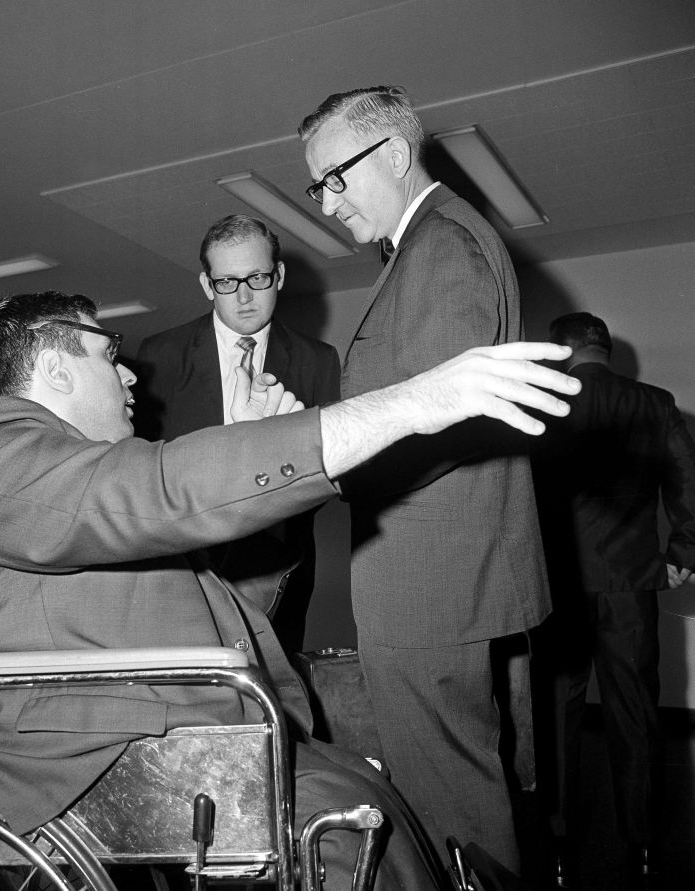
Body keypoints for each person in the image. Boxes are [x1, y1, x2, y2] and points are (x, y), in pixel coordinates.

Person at [0, 290, 578, 887]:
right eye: (109, 352)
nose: (130, 374)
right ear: (53, 365)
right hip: (90, 752)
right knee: (356, 839)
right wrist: (409, 403)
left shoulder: (72, 490)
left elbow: (230, 593)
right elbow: (159, 489)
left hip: (188, 727)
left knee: (372, 805)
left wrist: (243, 442)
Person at [299, 85, 551, 871]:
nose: (328, 203)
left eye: (333, 178)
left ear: (395, 155)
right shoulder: (431, 244)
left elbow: (446, 417)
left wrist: (326, 458)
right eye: (318, 185)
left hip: (431, 582)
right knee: (453, 792)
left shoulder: (440, 245)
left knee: (452, 804)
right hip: (439, 575)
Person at [532, 312, 695, 888]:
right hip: (630, 585)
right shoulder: (655, 402)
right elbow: (688, 484)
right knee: (637, 716)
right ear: (605, 349)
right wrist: (681, 555)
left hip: (555, 590)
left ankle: (554, 842)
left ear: (562, 350)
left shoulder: (538, 407)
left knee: (553, 719)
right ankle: (644, 845)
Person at [135, 214, 341, 653]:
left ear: (279, 276)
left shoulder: (318, 360)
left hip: (281, 564)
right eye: (226, 282)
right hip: (184, 569)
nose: (243, 296)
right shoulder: (160, 356)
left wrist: (279, 453)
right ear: (207, 285)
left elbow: (330, 475)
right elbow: (145, 472)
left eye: (257, 278)